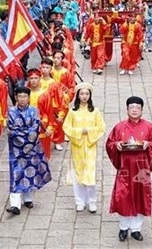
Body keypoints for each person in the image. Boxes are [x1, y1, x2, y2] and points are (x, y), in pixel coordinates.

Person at [106, 96, 152, 242]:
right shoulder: (119, 127)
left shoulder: (149, 127)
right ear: (127, 110)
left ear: (142, 110)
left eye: (137, 107)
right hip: (125, 168)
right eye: (132, 107)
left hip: (141, 168)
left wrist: (148, 144)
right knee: (123, 196)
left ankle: (136, 228)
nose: (135, 110)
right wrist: (116, 145)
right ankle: (123, 227)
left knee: (140, 196)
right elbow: (109, 144)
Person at [6, 86, 52, 215]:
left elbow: (35, 129)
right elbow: (11, 128)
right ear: (16, 98)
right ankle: (15, 204)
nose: (22, 99)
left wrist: (20, 133)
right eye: (19, 96)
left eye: (24, 96)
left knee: (30, 171)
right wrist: (21, 134)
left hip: (32, 148)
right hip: (16, 150)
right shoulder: (11, 111)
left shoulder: (34, 111)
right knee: (16, 174)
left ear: (28, 98)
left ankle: (28, 198)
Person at [63, 83, 106, 213]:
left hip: (91, 146)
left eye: (87, 94)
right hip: (77, 146)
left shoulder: (95, 111)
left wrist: (89, 131)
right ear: (77, 95)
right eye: (82, 94)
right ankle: (79, 201)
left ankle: (92, 201)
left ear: (90, 95)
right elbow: (66, 127)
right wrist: (79, 132)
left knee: (90, 173)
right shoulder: (72, 112)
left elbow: (101, 127)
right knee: (77, 174)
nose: (84, 96)